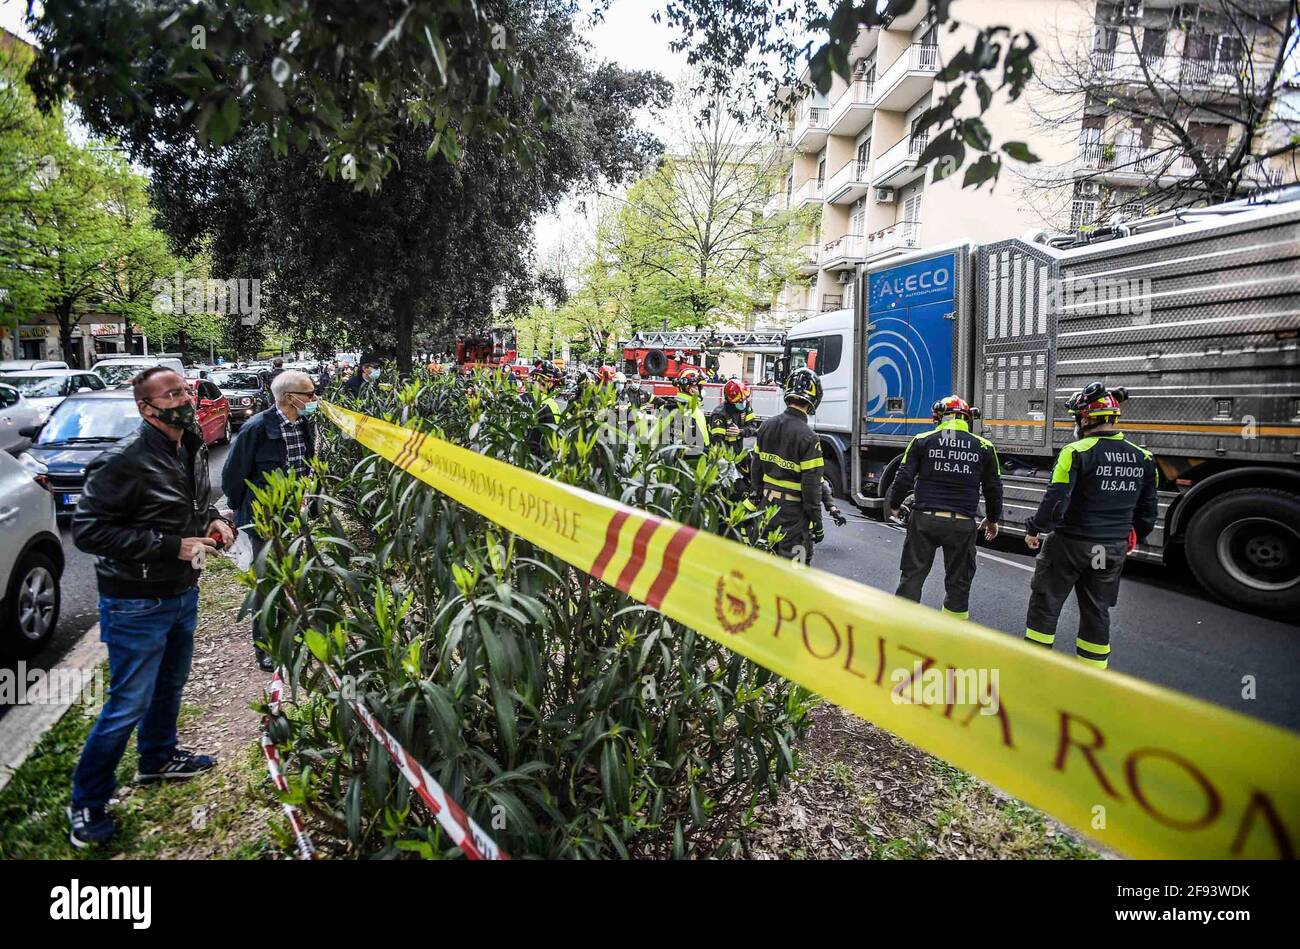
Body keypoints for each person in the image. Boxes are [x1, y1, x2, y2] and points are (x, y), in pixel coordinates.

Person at [67, 367, 231, 847]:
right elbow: (89, 531)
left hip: (183, 589)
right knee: (127, 703)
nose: (184, 397)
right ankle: (88, 801)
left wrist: (216, 521)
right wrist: (170, 545)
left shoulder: (192, 443)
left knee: (170, 684)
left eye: (186, 389)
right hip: (135, 600)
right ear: (146, 408)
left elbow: (195, 506)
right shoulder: (124, 460)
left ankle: (157, 759)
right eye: (172, 393)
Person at [1022, 384, 1157, 670]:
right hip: (1110, 548)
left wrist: (1035, 529)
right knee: (1097, 610)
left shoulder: (1076, 451)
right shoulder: (1144, 457)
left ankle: (1033, 670)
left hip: (1070, 544)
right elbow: (1148, 511)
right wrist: (1134, 534)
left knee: (1046, 603)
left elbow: (1056, 500)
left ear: (1085, 419)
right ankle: (1093, 676)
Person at [222, 370, 319, 671]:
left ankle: (294, 634)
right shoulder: (256, 429)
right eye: (310, 394)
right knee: (266, 584)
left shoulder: (303, 423)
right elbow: (232, 478)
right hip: (264, 519)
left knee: (293, 577)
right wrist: (243, 515)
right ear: (290, 397)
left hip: (293, 516)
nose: (314, 399)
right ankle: (265, 646)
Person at [888, 395, 1003, 620]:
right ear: (968, 418)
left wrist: (894, 505)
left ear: (940, 416)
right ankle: (952, 635)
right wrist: (992, 519)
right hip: (962, 524)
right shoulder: (984, 446)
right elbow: (994, 488)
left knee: (912, 577)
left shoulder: (922, 439)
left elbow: (903, 478)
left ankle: (900, 630)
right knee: (958, 584)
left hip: (924, 520)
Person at [749, 367, 825, 564]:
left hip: (766, 509)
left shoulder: (766, 426)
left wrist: (758, 496)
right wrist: (817, 522)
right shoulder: (809, 437)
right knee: (794, 575)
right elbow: (812, 487)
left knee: (763, 565)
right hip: (794, 517)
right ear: (814, 400)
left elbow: (755, 470)